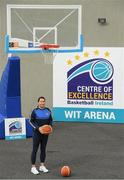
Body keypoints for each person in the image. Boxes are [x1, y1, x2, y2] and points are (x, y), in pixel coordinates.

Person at [30, 96, 53, 175]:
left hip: (45, 134)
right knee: (35, 150)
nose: (42, 103)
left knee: (43, 149)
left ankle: (42, 166)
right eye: (41, 101)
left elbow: (50, 120)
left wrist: (50, 127)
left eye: (43, 101)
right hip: (37, 133)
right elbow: (31, 122)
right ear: (38, 102)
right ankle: (33, 167)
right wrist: (38, 128)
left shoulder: (48, 110)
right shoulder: (35, 111)